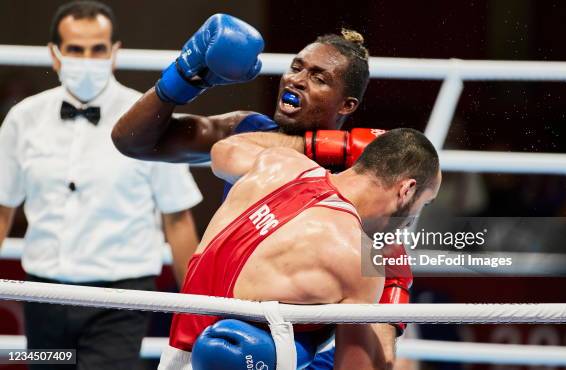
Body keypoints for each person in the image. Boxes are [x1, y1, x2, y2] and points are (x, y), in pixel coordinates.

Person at [111, 13, 414, 368]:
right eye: (297, 67)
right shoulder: (249, 130)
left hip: (298, 344)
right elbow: (133, 142)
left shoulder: (358, 175)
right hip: (219, 325)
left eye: (318, 78)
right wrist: (184, 76)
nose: (298, 80)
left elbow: (391, 272)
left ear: (346, 105)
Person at [0, 2, 202, 368]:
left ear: (114, 52)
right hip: (43, 295)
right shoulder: (22, 119)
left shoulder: (150, 120)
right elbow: (2, 211)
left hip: (121, 299)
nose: (87, 58)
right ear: (55, 54)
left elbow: (177, 219)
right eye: (76, 49)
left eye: (97, 49)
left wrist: (199, 309)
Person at [157, 127, 441, 370]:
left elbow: (224, 150)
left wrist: (327, 143)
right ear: (406, 190)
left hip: (172, 358)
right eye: (423, 204)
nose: (411, 221)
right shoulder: (357, 254)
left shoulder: (280, 163)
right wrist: (394, 290)